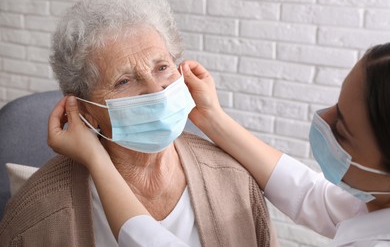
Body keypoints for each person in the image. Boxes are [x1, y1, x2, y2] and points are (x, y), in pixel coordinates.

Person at [0, 0, 277, 246]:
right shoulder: (38, 212)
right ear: (85, 110)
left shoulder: (235, 182)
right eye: (124, 81)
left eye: (162, 67)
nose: (155, 91)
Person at [49, 41, 390, 246]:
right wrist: (213, 118)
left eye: (342, 130)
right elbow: (312, 196)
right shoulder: (45, 209)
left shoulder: (233, 185)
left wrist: (98, 161)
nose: (323, 119)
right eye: (124, 80)